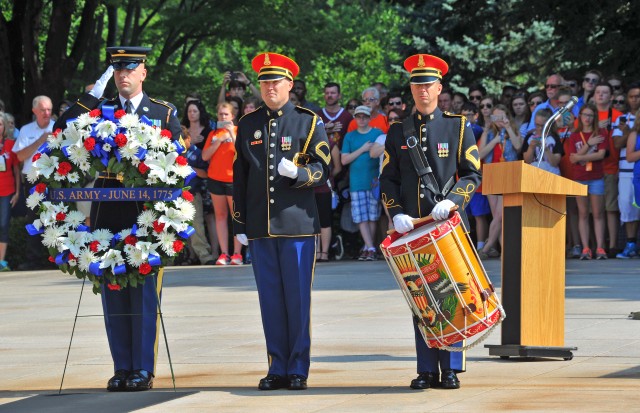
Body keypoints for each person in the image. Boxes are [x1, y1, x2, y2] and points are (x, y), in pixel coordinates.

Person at [55, 46, 182, 391]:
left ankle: (143, 368)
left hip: (145, 215)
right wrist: (90, 96)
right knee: (112, 289)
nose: (123, 75)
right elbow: (61, 130)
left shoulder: (163, 113)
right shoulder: (100, 111)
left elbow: (180, 169)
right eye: (117, 69)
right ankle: (121, 366)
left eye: (130, 68)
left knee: (142, 293)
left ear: (143, 72)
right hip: (107, 211)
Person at [380, 53, 481, 390]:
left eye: (428, 84)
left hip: (446, 225)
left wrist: (453, 201)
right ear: (411, 89)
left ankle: (450, 366)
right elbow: (388, 179)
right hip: (413, 225)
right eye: (416, 84)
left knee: (451, 294)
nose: (422, 90)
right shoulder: (397, 132)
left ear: (440, 88)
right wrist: (396, 212)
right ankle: (426, 368)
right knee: (420, 296)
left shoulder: (457, 125)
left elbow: (471, 174)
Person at [232, 52, 330, 391]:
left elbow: (322, 169)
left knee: (298, 300)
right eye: (264, 82)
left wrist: (299, 173)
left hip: (298, 225)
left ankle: (298, 367)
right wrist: (240, 225)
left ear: (290, 84)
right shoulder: (247, 124)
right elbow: (240, 179)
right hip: (261, 226)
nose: (270, 87)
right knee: (270, 299)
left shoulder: (308, 121)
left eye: (276, 81)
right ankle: (277, 366)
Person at [12, 95, 55, 270]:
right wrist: (41, 140)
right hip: (32, 179)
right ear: (34, 111)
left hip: (53, 179)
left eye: (49, 110)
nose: (47, 113)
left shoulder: (58, 128)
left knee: (55, 217)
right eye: (43, 110)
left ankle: (55, 258)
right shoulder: (26, 130)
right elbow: (20, 156)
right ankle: (33, 260)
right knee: (34, 218)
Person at [477, 104, 523, 260]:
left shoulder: (514, 130)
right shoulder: (488, 133)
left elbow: (518, 146)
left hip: (508, 174)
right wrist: (494, 139)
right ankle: (506, 251)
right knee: (498, 216)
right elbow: (480, 154)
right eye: (495, 117)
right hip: (491, 174)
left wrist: (508, 128)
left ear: (507, 116)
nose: (498, 120)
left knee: (499, 214)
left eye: (501, 117)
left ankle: (487, 247)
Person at [202, 102, 243, 265]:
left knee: (236, 217)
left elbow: (243, 152)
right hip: (216, 179)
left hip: (234, 180)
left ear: (232, 116)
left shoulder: (239, 131)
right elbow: (205, 156)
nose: (223, 117)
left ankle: (237, 254)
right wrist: (218, 141)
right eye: (220, 114)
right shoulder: (213, 134)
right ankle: (224, 253)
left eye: (226, 114)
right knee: (220, 216)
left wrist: (230, 133)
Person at [341, 105, 383, 260]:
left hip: (373, 182)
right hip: (356, 182)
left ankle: (368, 247)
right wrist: (364, 149)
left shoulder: (378, 133)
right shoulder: (350, 137)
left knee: (373, 216)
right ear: (355, 118)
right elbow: (344, 160)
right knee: (361, 217)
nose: (361, 119)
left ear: (369, 118)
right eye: (358, 116)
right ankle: (370, 247)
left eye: (364, 116)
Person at [316, 82, 352, 261]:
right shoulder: (317, 116)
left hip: (341, 172)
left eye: (333, 93)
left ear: (339, 95)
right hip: (319, 175)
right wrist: (326, 129)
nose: (330, 95)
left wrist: (331, 177)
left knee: (332, 214)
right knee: (320, 215)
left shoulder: (347, 116)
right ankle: (325, 248)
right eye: (327, 93)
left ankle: (337, 246)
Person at [568, 104, 608, 260]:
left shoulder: (601, 133)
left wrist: (580, 157)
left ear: (595, 117)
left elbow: (601, 155)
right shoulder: (574, 136)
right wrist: (589, 145)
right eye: (585, 114)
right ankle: (585, 248)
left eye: (591, 115)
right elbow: (572, 158)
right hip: (579, 178)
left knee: (598, 213)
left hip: (596, 177)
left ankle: (600, 247)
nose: (587, 118)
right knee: (583, 213)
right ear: (580, 116)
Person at [612, 83, 640, 258]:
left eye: (638, 96)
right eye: (632, 96)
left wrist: (628, 132)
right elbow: (617, 144)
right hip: (626, 170)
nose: (635, 99)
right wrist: (631, 131)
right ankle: (630, 244)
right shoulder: (621, 119)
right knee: (627, 206)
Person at [182, 126, 216, 266]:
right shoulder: (175, 152)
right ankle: (191, 255)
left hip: (193, 194)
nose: (181, 143)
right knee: (183, 227)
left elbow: (206, 173)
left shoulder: (197, 153)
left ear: (189, 138)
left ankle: (204, 255)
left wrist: (190, 168)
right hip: (177, 195)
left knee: (196, 225)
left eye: (183, 139)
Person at [0, 113, 19, 271]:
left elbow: (16, 169)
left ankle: (1, 261)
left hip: (7, 190)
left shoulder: (10, 144)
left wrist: (18, 191)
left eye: (0, 124)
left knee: (3, 224)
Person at [521, 108, 563, 175]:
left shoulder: (554, 138)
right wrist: (531, 147)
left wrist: (546, 149)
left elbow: (555, 162)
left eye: (542, 125)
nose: (540, 128)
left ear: (549, 124)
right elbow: (527, 161)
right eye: (537, 125)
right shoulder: (529, 137)